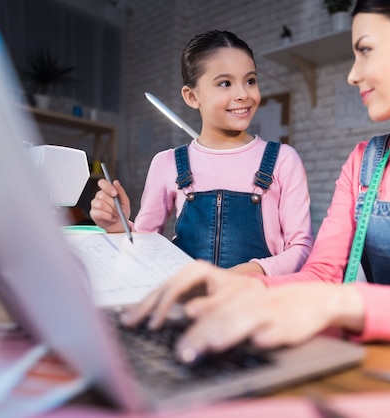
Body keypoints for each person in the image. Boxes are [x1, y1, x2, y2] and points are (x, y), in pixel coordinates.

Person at [121, 0, 390, 364]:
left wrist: (343, 304)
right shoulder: (365, 162)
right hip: (377, 376)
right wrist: (235, 286)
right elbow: (320, 273)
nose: (353, 73)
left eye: (365, 50)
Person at [90, 30, 313, 276]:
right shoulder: (167, 163)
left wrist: (245, 274)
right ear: (192, 96)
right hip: (190, 303)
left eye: (250, 80)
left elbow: (301, 248)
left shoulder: (283, 159)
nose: (243, 94)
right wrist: (118, 226)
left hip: (257, 303)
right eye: (225, 83)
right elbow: (146, 246)